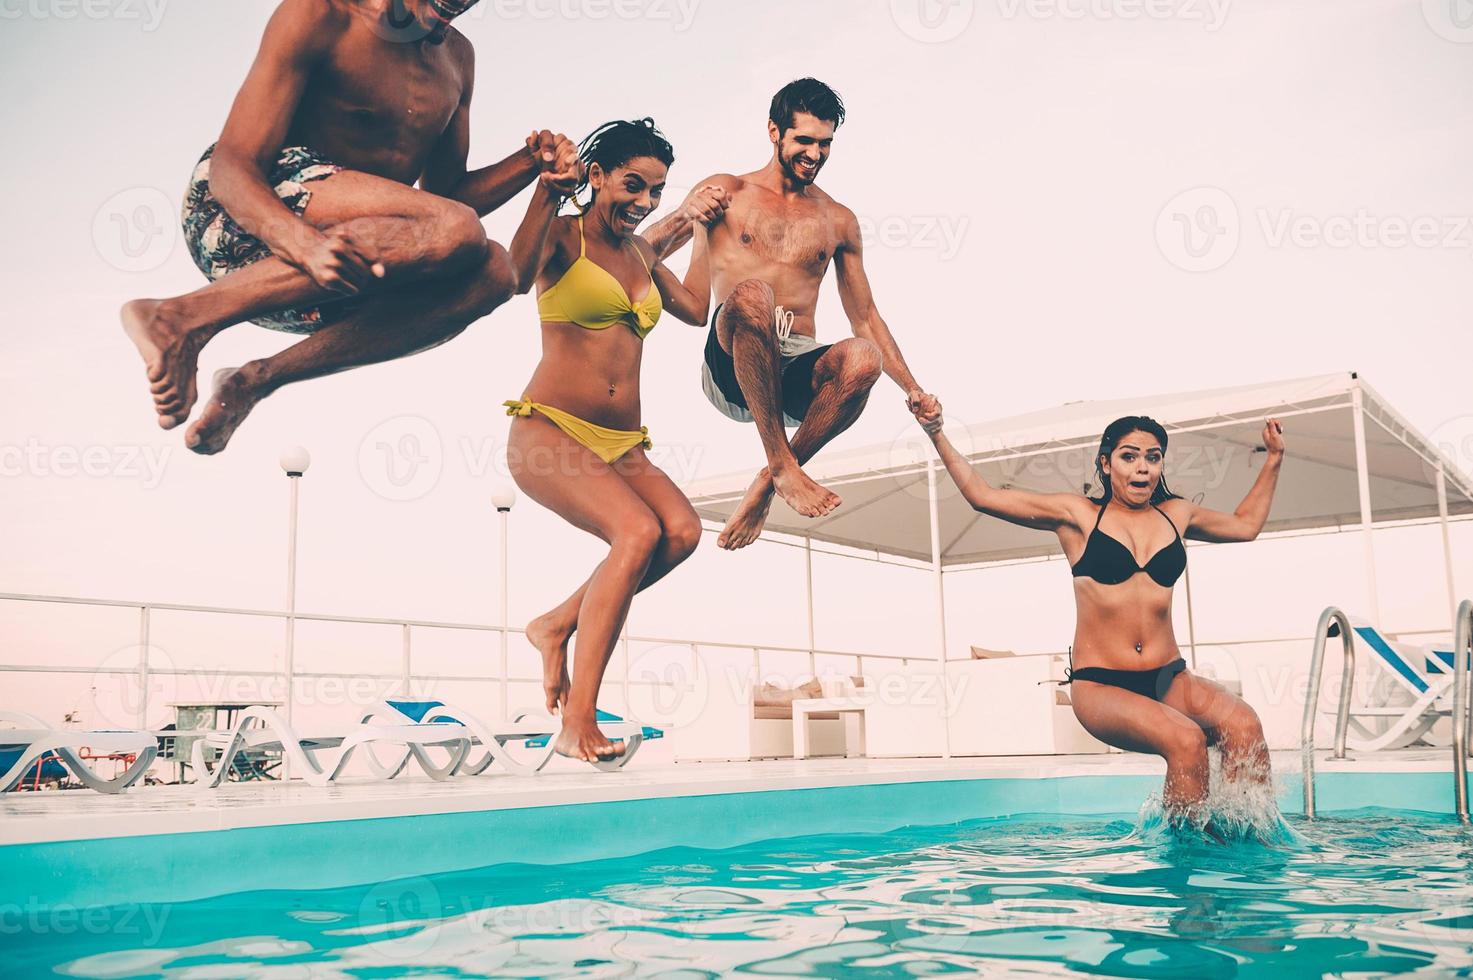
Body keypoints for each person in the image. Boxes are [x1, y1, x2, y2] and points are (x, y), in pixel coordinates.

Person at [122, 0, 571, 454]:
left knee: (495, 271)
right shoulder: (322, 15)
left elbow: (448, 201)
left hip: (330, 276)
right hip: (238, 214)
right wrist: (300, 243)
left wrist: (532, 162)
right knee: (455, 228)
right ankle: (182, 316)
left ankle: (256, 380)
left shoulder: (458, 59)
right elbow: (233, 166)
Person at [925, 413, 1287, 821]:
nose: (1142, 467)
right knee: (1185, 739)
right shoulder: (1078, 516)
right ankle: (1185, 860)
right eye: (1129, 456)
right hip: (1102, 685)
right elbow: (982, 495)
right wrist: (936, 432)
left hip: (1170, 679)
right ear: (1105, 463)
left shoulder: (1177, 515)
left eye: (1152, 457)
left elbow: (1245, 525)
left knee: (1244, 724)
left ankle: (1244, 837)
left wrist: (1273, 457)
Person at [505, 119, 726, 763]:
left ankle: (554, 623)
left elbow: (693, 308)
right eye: (634, 185)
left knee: (681, 531)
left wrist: (704, 228)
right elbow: (517, 275)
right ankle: (577, 720)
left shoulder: (642, 255)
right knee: (637, 533)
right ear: (597, 177)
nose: (646, 202)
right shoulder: (562, 237)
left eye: (657, 191)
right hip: (549, 428)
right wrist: (546, 191)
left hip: (623, 443)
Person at [646, 78, 941, 550]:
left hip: (795, 373)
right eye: (804, 140)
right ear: (773, 132)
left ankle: (772, 476)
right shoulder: (728, 191)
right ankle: (783, 465)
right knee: (753, 295)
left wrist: (913, 388)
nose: (815, 154)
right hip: (733, 359)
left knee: (864, 358)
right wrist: (684, 212)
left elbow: (864, 317)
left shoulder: (838, 219)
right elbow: (638, 251)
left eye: (825, 144)